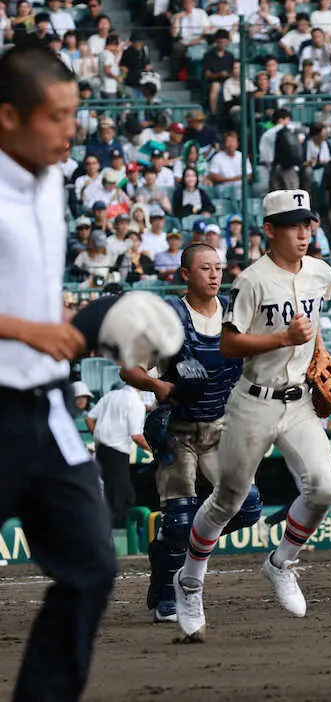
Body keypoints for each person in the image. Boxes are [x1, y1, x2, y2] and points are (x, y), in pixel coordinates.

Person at [0, 44, 167, 700]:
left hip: (44, 410)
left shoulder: (50, 178)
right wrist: (27, 329)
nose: (72, 128)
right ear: (8, 115)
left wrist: (87, 318)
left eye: (75, 113)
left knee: (93, 568)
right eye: (56, 116)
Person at [173, 190, 331, 640]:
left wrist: (318, 351)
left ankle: (281, 562)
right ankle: (189, 581)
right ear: (270, 230)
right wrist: (284, 338)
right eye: (292, 224)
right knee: (228, 498)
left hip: (300, 400)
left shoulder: (321, 272)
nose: (303, 232)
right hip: (254, 402)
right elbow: (229, 343)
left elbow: (313, 323)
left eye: (308, 223)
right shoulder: (252, 280)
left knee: (325, 486)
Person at [120, 243, 264, 623]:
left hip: (222, 427)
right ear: (186, 274)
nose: (215, 275)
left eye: (219, 267)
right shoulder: (169, 319)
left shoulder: (236, 316)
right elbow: (128, 368)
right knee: (180, 519)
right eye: (205, 268)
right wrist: (159, 387)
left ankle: (175, 546)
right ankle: (168, 588)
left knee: (247, 507)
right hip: (176, 428)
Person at [86, 377, 150, 540]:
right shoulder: (136, 403)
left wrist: (99, 437)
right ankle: (114, 538)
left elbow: (89, 418)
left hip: (102, 450)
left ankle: (108, 535)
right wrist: (153, 449)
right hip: (117, 451)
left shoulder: (110, 396)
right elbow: (136, 436)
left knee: (114, 494)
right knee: (121, 497)